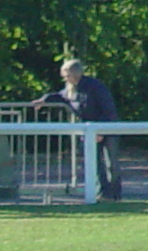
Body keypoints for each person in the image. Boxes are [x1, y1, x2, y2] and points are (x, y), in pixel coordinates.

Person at [32, 57, 123, 198]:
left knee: (112, 164)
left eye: (67, 76)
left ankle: (116, 194)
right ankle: (103, 193)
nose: (65, 79)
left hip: (107, 128)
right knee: (95, 165)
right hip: (88, 131)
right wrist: (44, 100)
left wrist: (101, 131)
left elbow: (108, 110)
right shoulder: (70, 89)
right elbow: (59, 96)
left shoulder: (95, 87)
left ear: (75, 74)